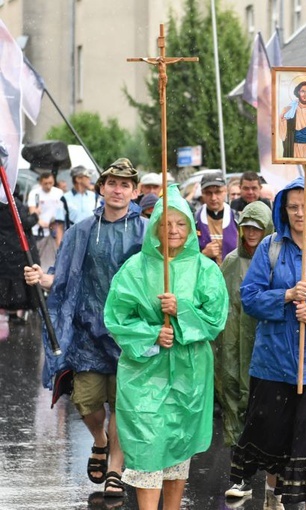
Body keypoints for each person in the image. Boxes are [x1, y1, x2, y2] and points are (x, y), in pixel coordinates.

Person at [23, 158, 147, 498]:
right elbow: (63, 280)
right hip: (87, 336)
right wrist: (40, 279)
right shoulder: (80, 231)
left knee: (123, 404)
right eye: (112, 183)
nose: (118, 189)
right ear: (102, 187)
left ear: (135, 191)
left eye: (125, 184)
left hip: (130, 336)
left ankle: (114, 471)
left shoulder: (146, 233)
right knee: (87, 402)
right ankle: (100, 440)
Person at [227, 177, 306, 509]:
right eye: (292, 207)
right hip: (273, 361)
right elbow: (249, 298)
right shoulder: (271, 248)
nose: (299, 214)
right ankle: (273, 495)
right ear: (283, 209)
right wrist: (286, 295)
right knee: (274, 436)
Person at [103, 184, 228, 510]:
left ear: (190, 227)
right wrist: (152, 334)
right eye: (166, 223)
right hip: (145, 376)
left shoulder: (205, 270)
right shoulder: (135, 269)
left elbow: (216, 319)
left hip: (188, 375)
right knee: (147, 448)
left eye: (180, 223)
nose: (173, 230)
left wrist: (181, 312)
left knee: (176, 447)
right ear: (155, 227)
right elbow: (116, 318)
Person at [218, 201, 273, 448]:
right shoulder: (231, 261)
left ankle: (260, 452)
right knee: (232, 386)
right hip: (233, 334)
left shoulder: (276, 259)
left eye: (257, 229)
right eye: (246, 228)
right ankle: (238, 456)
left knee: (261, 393)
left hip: (263, 335)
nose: (251, 234)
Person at [0, 189, 39, 321]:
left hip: (4, 246)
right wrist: (35, 215)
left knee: (7, 280)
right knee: (18, 280)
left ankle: (10, 311)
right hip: (17, 246)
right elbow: (23, 223)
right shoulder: (12, 202)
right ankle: (16, 311)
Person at [195, 172, 238, 265]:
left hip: (232, 277)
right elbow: (185, 257)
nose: (213, 198)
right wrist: (203, 254)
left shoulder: (237, 219)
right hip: (205, 276)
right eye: (208, 193)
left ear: (225, 191)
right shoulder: (194, 221)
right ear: (202, 193)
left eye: (218, 192)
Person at [27, 171, 63, 272]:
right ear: (40, 183)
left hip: (54, 231)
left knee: (53, 257)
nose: (48, 186)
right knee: (39, 258)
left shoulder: (58, 193)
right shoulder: (35, 193)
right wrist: (41, 222)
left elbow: (61, 211)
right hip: (39, 231)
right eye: (45, 183)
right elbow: (32, 210)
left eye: (50, 183)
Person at [54, 165, 98, 247]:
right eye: (87, 177)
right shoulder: (64, 199)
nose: (90, 179)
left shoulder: (94, 197)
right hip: (72, 243)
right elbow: (59, 226)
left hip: (91, 243)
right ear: (78, 179)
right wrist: (59, 249)